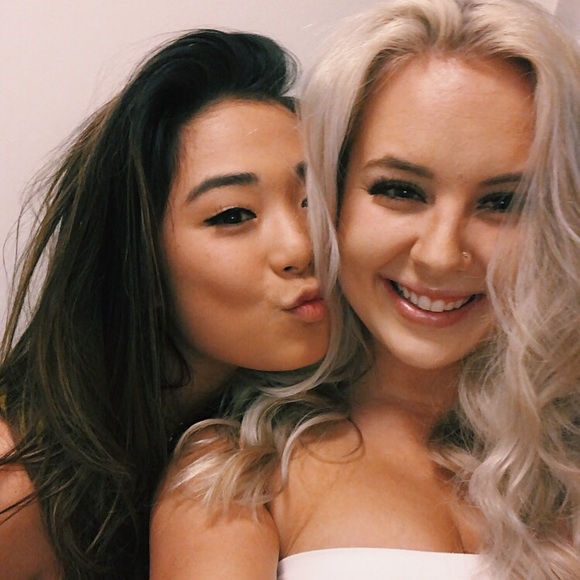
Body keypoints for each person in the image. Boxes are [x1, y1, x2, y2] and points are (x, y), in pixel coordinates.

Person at [150, 0, 580, 578]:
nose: (440, 254)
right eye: (400, 190)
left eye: (503, 202)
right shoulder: (240, 469)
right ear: (333, 194)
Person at [0, 29, 331, 579]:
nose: (301, 247)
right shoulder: (20, 489)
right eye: (233, 215)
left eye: (312, 199)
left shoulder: (275, 432)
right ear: (138, 261)